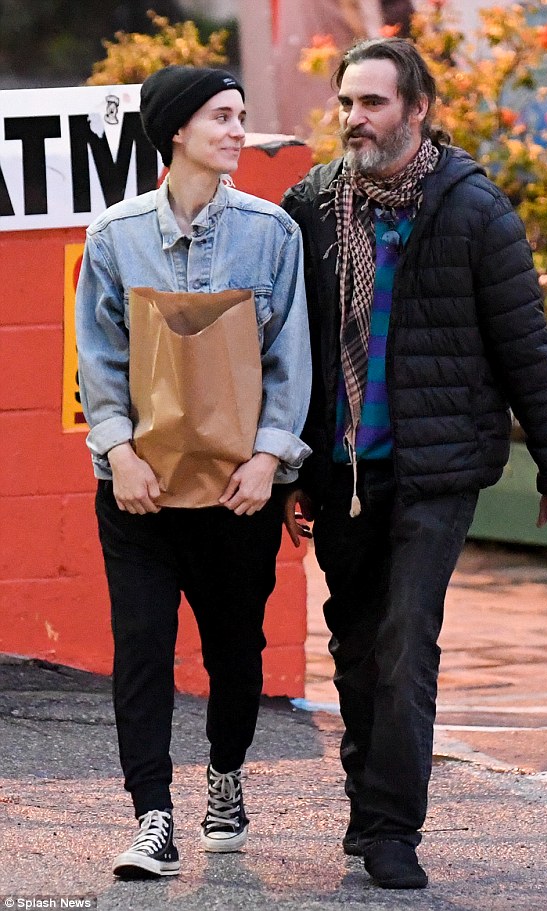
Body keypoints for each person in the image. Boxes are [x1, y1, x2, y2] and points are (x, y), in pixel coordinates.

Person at [282, 38, 547, 890]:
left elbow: (524, 345)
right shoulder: (312, 204)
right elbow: (281, 346)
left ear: (417, 109)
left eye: (373, 103)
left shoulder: (471, 210)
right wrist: (285, 468)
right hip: (342, 469)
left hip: (438, 466)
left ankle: (391, 829)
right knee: (353, 642)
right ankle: (367, 799)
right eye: (347, 102)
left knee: (403, 637)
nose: (355, 119)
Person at [75, 65, 311, 879]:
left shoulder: (272, 233)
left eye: (242, 114)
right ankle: (152, 817)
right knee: (141, 648)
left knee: (235, 653)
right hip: (137, 493)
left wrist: (269, 458)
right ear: (177, 130)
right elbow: (98, 358)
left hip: (237, 494)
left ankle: (225, 775)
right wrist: (119, 450)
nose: (240, 130)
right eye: (223, 116)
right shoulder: (114, 237)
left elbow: (290, 359)